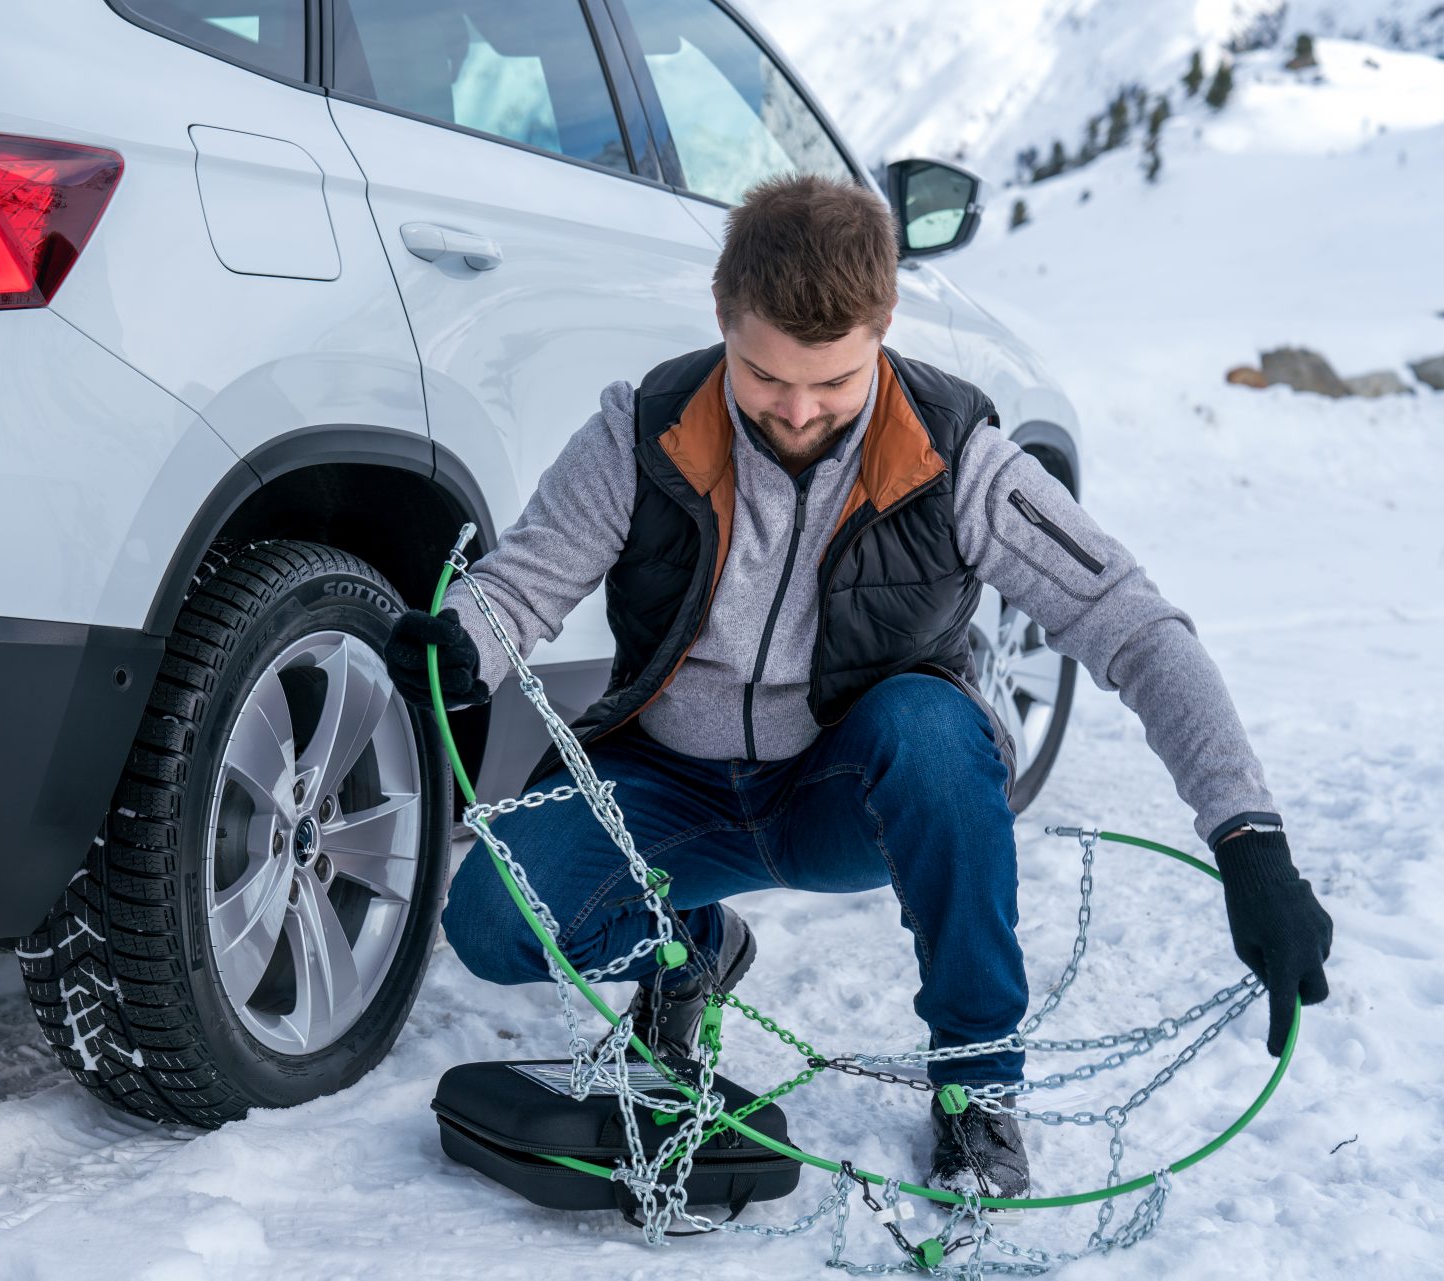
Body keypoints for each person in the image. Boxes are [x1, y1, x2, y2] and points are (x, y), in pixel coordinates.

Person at [381, 173, 1333, 1199]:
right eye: (765, 375)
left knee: (929, 727)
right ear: (723, 319)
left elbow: (1135, 627)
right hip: (673, 789)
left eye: (832, 383)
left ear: (882, 327)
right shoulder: (641, 431)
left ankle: (976, 1090)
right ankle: (691, 947)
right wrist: (462, 641)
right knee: (489, 923)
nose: (797, 411)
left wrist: (1247, 838)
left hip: (850, 793)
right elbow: (523, 583)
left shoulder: (958, 456)